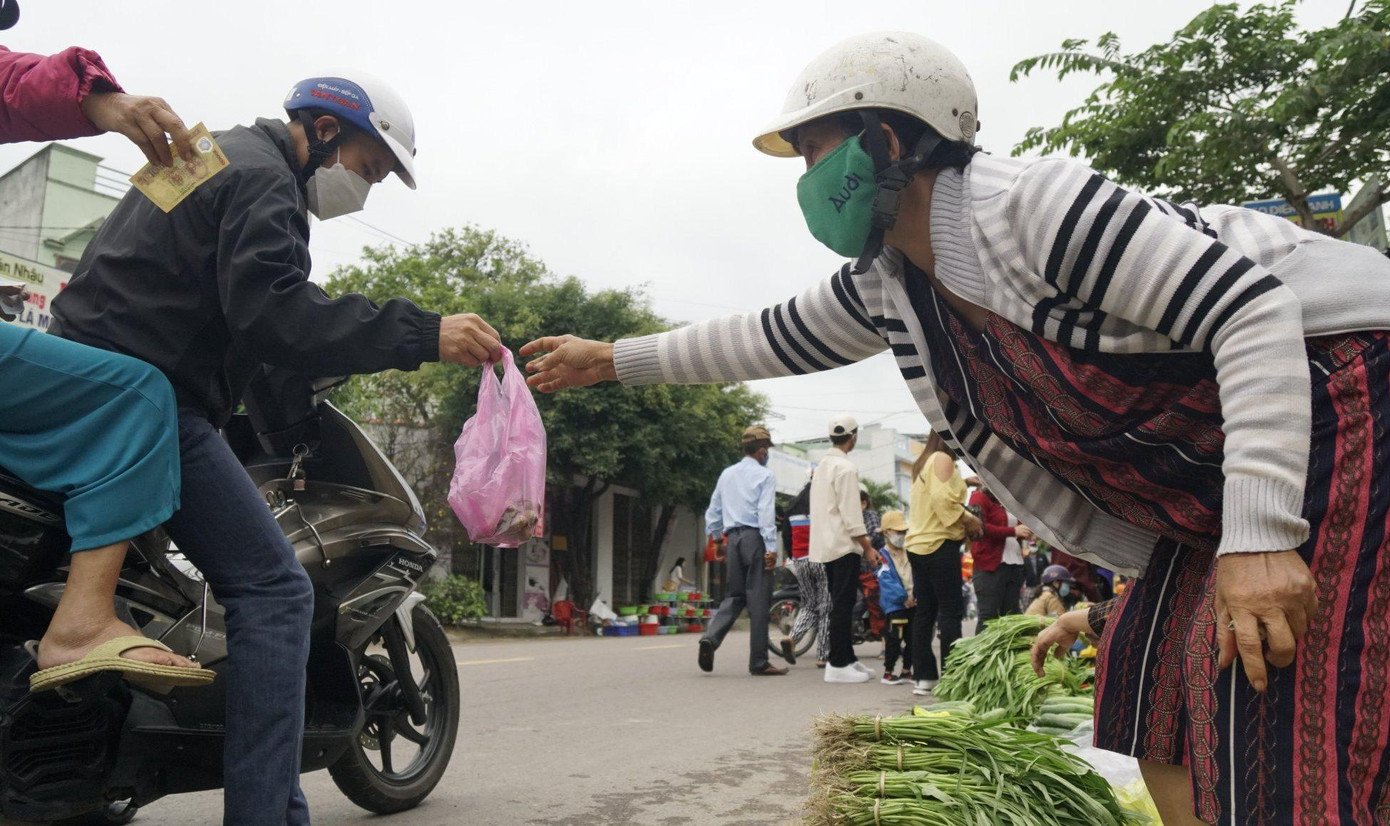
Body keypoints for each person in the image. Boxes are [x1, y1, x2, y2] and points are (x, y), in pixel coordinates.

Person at [520, 30, 1390, 824]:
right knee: (1148, 688)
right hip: (1221, 466)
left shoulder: (1031, 208)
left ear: (890, 142)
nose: (807, 182)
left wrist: (1264, 536)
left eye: (818, 151)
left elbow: (1250, 309)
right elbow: (767, 334)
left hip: (1339, 388)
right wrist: (614, 358)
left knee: (1272, 707)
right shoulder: (895, 282)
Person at [49, 74, 502, 826]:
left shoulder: (205, 153)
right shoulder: (267, 182)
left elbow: (209, 309)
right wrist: (423, 333)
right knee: (276, 592)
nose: (368, 186)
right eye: (369, 167)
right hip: (144, 399)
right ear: (323, 132)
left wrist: (280, 423)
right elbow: (278, 316)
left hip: (84, 371)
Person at [0, 18, 213, 689]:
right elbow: (14, 83)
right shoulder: (249, 171)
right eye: (371, 166)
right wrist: (105, 102)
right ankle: (82, 624)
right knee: (136, 393)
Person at [697, 425, 787, 677]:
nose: (767, 454)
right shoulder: (764, 475)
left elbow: (713, 511)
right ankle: (759, 662)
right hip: (754, 537)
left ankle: (711, 638)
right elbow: (765, 513)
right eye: (767, 449)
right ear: (761, 451)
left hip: (733, 539)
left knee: (734, 595)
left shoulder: (727, 474)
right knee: (758, 600)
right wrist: (771, 548)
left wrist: (717, 541)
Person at [804, 415, 880, 684]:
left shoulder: (822, 466)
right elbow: (852, 515)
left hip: (825, 545)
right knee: (843, 605)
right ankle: (836, 664)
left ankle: (847, 658)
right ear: (854, 437)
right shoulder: (846, 469)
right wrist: (868, 548)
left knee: (841, 604)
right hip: (844, 545)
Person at [905, 433, 982, 695]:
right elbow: (941, 499)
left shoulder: (924, 460)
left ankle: (924, 678)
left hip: (917, 545)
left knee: (925, 612)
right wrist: (969, 519)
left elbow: (936, 493)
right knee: (950, 612)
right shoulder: (942, 458)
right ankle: (951, 677)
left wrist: (966, 481)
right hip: (939, 544)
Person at [782, 476, 831, 667]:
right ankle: (823, 655)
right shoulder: (823, 507)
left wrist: (794, 557)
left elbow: (787, 537)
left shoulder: (792, 509)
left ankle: (792, 638)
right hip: (821, 560)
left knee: (809, 604)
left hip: (800, 561)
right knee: (826, 607)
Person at [969, 486, 1032, 633]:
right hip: (989, 565)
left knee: (1011, 617)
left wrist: (1025, 532)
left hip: (1014, 562)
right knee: (988, 617)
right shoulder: (979, 497)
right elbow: (978, 528)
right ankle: (983, 655)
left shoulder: (1009, 500)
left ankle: (1007, 655)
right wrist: (1013, 531)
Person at [876, 510, 914, 685]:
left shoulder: (910, 551)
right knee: (894, 639)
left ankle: (907, 671)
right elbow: (887, 581)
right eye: (898, 532)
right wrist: (902, 597)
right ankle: (888, 672)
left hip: (913, 603)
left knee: (913, 638)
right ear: (886, 532)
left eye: (903, 532)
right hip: (895, 605)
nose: (901, 535)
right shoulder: (881, 556)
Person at [857, 489, 885, 643]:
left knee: (874, 600)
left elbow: (872, 536)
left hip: (870, 567)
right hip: (855, 566)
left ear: (863, 503)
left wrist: (858, 542)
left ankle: (880, 633)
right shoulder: (850, 517)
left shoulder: (870, 516)